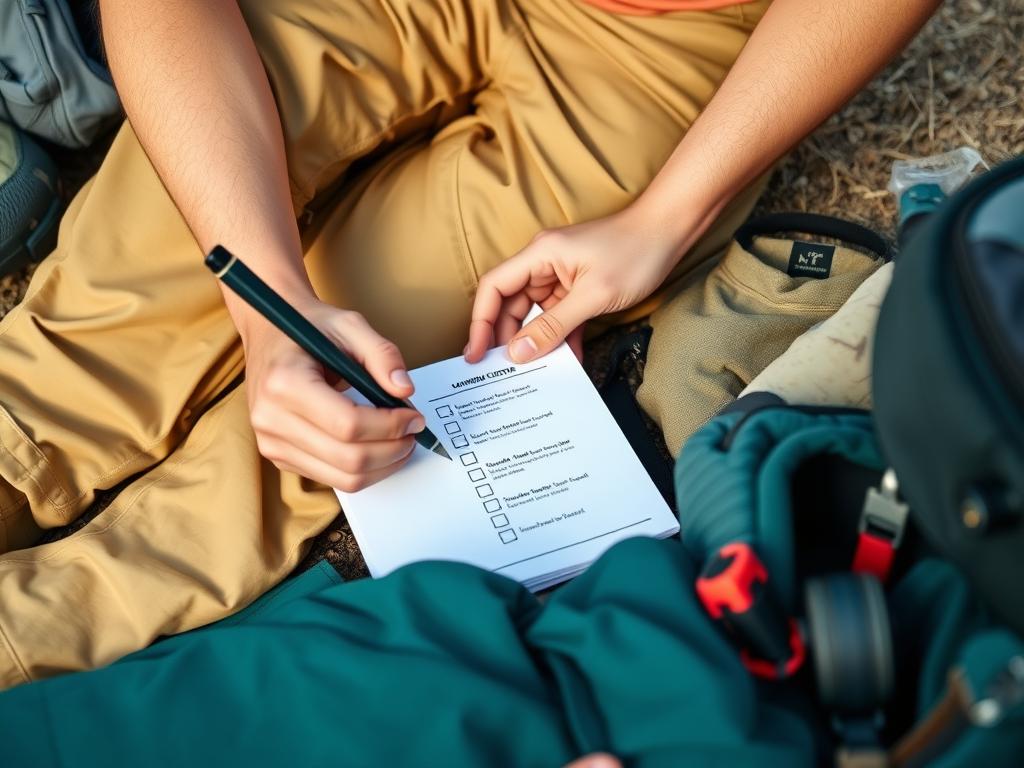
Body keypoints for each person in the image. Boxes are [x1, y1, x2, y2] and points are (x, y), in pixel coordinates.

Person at [0, 0, 939, 689]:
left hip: (668, 42)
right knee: (114, 301)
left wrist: (667, 217)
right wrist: (266, 299)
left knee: (362, 417)